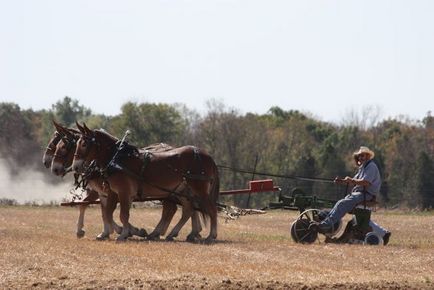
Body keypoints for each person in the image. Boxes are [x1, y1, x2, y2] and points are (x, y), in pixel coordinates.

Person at [311, 146, 391, 245]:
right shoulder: (363, 167)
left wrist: (352, 180)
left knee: (341, 204)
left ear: (368, 156)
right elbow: (353, 181)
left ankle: (326, 225)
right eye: (360, 156)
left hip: (367, 194)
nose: (361, 158)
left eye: (363, 155)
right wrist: (342, 181)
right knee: (344, 207)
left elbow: (366, 182)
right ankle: (384, 234)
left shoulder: (371, 166)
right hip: (359, 193)